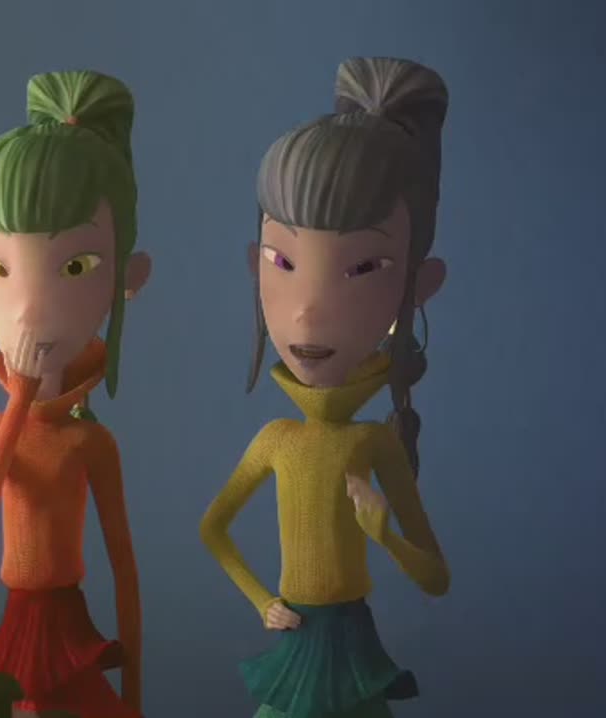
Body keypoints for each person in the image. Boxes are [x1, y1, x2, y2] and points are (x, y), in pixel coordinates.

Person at [200, 57, 452, 718]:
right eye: (282, 260)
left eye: (363, 267)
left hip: (352, 648)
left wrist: (384, 532)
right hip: (296, 638)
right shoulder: (276, 439)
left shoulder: (375, 444)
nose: (308, 315)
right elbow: (213, 528)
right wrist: (263, 600)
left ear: (416, 288)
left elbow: (435, 576)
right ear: (255, 266)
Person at [0, 70, 153, 718]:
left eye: (75, 266)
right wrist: (17, 401)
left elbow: (124, 564)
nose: (29, 309)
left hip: (71, 619)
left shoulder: (91, 442)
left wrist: (135, 691)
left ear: (126, 279)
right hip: (21, 620)